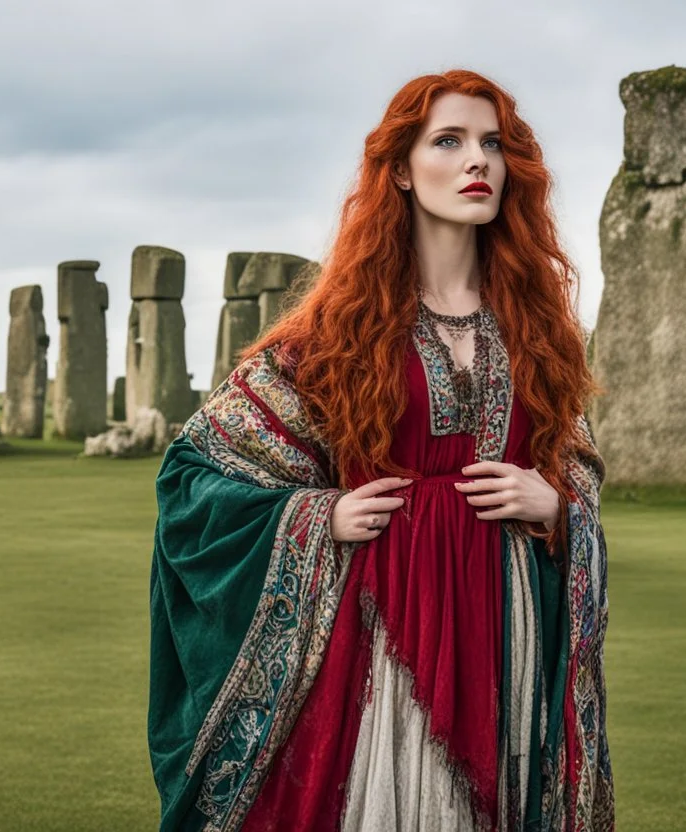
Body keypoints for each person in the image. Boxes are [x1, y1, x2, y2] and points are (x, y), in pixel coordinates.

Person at [147, 69, 613, 832]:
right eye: (450, 141)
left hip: (507, 636)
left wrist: (557, 507)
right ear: (399, 169)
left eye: (493, 144)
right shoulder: (335, 333)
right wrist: (314, 517)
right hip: (380, 638)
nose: (478, 163)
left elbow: (578, 474)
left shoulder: (543, 334)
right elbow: (194, 476)